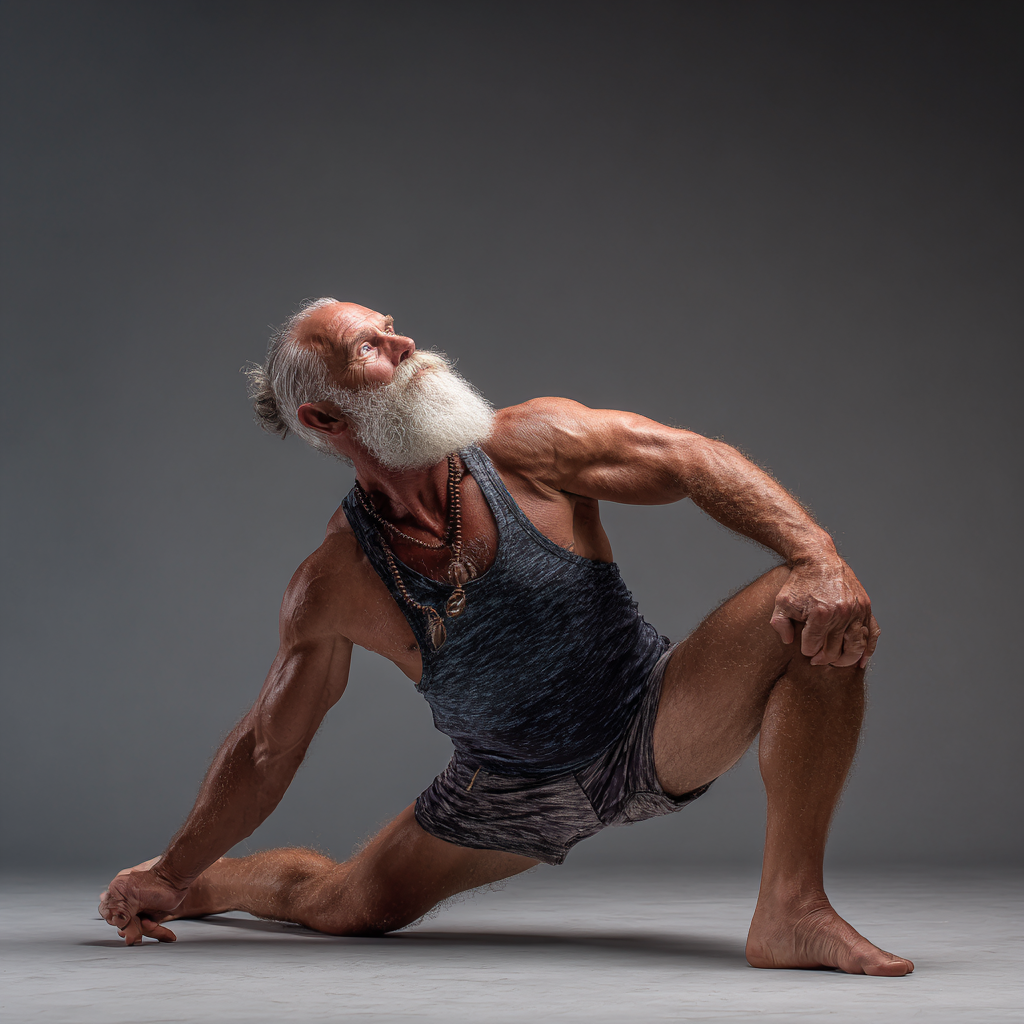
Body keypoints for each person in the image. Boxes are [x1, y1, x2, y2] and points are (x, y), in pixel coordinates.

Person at [99, 299, 913, 976]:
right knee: (341, 907)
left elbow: (690, 459)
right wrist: (172, 870)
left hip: (650, 723)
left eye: (391, 324)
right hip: (503, 793)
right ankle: (202, 890)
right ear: (323, 414)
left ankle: (790, 908)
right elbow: (268, 751)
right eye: (370, 346)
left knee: (811, 604)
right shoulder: (334, 582)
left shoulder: (526, 444)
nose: (404, 341)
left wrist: (815, 554)